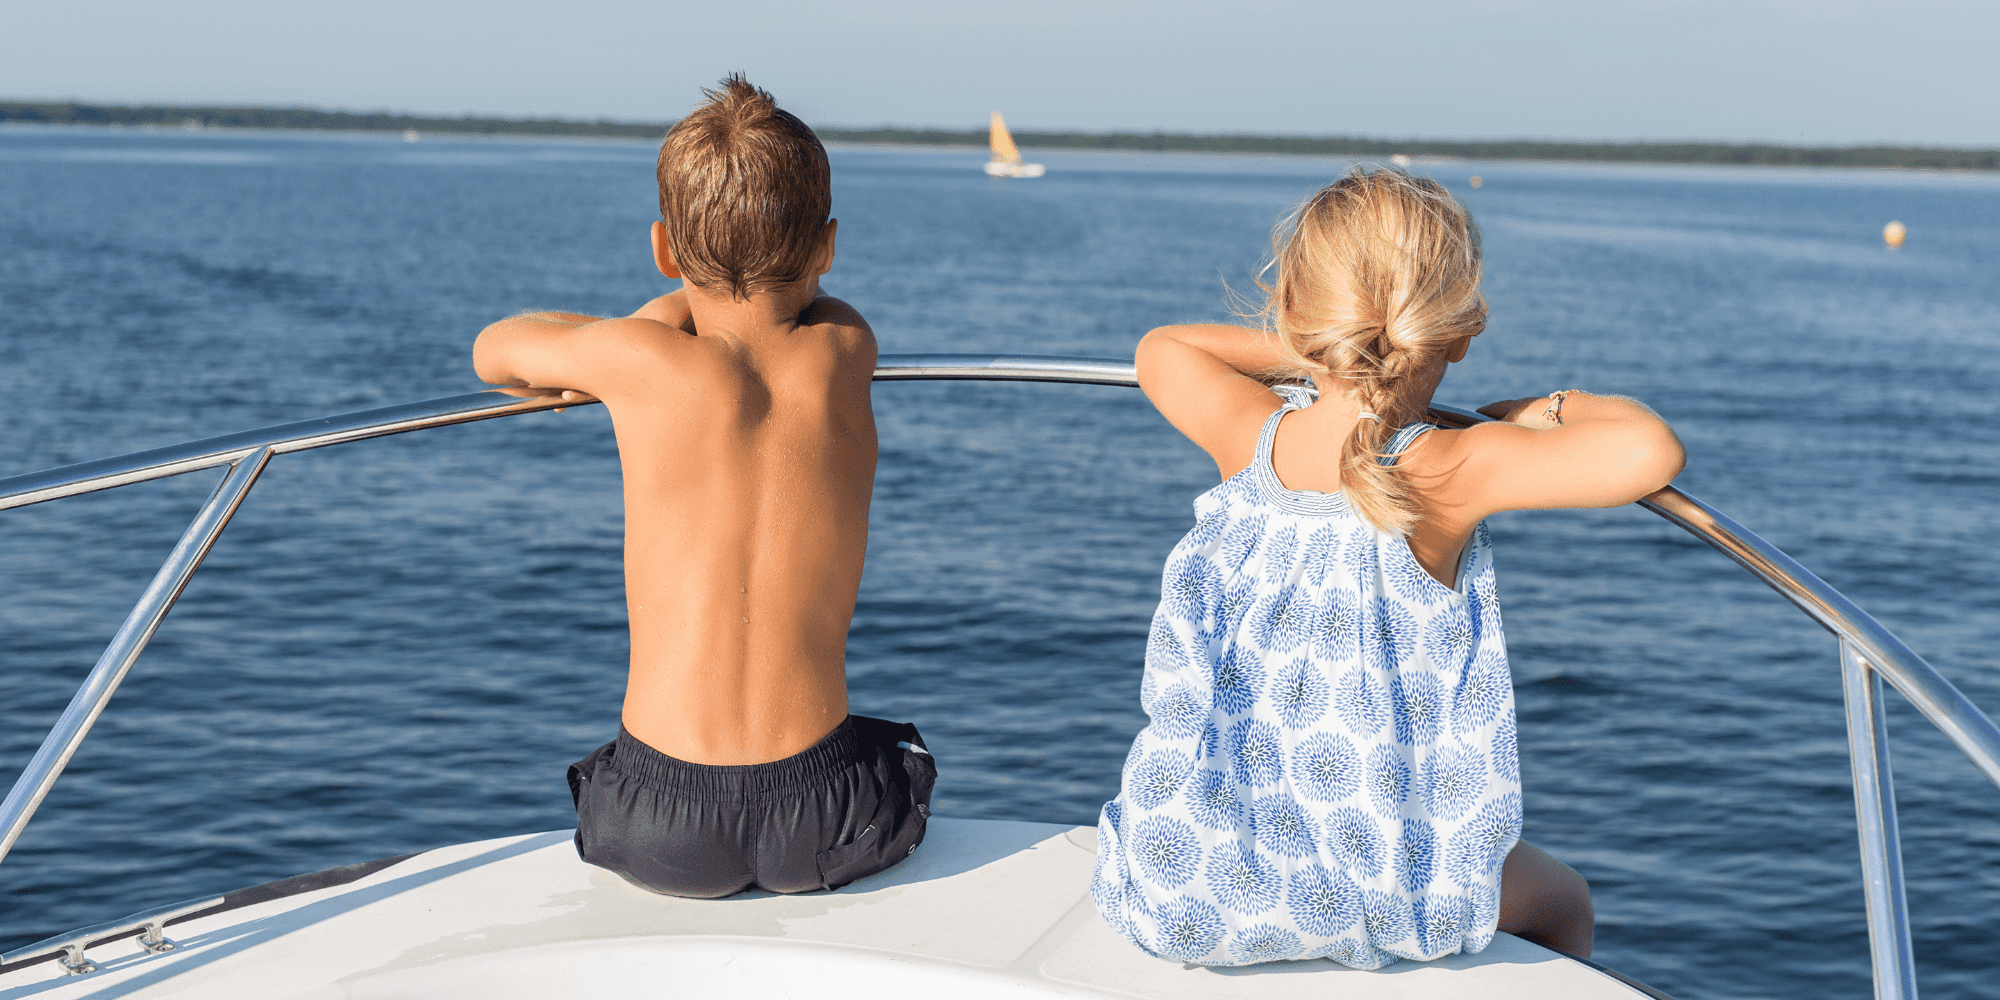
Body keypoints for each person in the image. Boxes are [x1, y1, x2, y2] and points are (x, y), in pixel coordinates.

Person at [1091, 166, 1684, 968]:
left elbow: (1163, 348)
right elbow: (1649, 450)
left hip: (1181, 878)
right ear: (1462, 329)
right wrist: (1545, 410)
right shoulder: (1452, 467)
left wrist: (1323, 350)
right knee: (1562, 901)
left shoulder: (1250, 438)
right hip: (1372, 890)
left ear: (1301, 317)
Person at [472, 75, 933, 898]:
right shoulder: (846, 348)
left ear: (662, 250)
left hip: (655, 819)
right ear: (826, 248)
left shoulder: (640, 361)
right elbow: (796, 315)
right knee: (890, 748)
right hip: (827, 815)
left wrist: (642, 330)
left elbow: (495, 350)